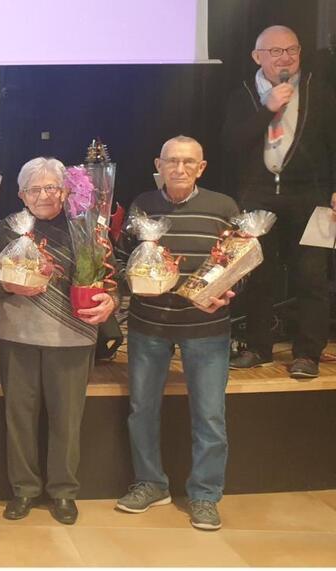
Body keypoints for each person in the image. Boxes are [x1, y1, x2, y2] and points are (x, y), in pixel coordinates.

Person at [116, 136, 241, 531]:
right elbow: (120, 259)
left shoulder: (223, 208)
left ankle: (204, 495)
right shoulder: (142, 206)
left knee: (209, 415)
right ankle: (151, 483)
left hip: (206, 328)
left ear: (201, 167)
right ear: (159, 164)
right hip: (148, 325)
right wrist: (131, 281)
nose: (180, 169)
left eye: (189, 162)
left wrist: (226, 296)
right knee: (142, 410)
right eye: (172, 161)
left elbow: (243, 263)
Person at [0, 157, 116, 525]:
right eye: (34, 189)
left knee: (67, 419)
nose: (43, 195)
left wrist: (111, 300)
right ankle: (24, 489)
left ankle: (63, 491)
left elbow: (112, 276)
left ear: (64, 190)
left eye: (51, 187)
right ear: (21, 194)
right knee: (19, 416)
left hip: (73, 336)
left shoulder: (87, 226)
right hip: (17, 335)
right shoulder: (12, 227)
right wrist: (4, 284)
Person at [222, 25, 336, 379]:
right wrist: (267, 109)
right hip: (257, 196)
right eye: (275, 52)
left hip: (312, 197)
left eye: (292, 50)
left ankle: (307, 354)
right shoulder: (242, 94)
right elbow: (231, 145)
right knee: (258, 274)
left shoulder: (319, 91)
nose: (285, 58)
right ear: (258, 57)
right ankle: (258, 347)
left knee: (312, 276)